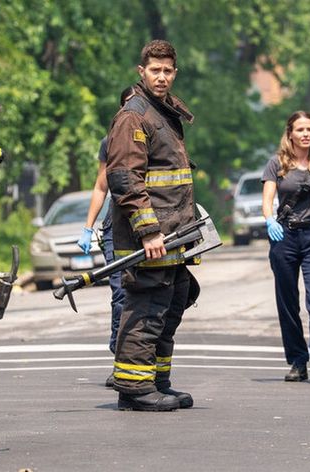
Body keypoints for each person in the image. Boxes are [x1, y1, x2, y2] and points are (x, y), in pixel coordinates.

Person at [106, 39, 200, 412]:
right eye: (155, 70)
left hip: (173, 236)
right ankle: (133, 388)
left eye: (167, 71)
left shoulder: (164, 112)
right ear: (141, 71)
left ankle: (157, 381)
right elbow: (125, 178)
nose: (161, 77)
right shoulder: (135, 115)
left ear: (174, 73)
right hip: (150, 239)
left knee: (172, 303)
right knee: (146, 308)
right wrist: (148, 230)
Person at [261, 111, 310, 383]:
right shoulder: (277, 164)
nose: (306, 134)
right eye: (300, 129)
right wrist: (269, 220)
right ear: (290, 134)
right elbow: (268, 199)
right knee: (288, 303)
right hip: (284, 237)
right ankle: (297, 360)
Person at [76, 88, 132, 388]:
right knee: (121, 294)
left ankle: (144, 362)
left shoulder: (160, 139)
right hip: (116, 228)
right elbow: (101, 186)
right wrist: (89, 226)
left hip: (151, 229)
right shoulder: (108, 143)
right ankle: (120, 359)